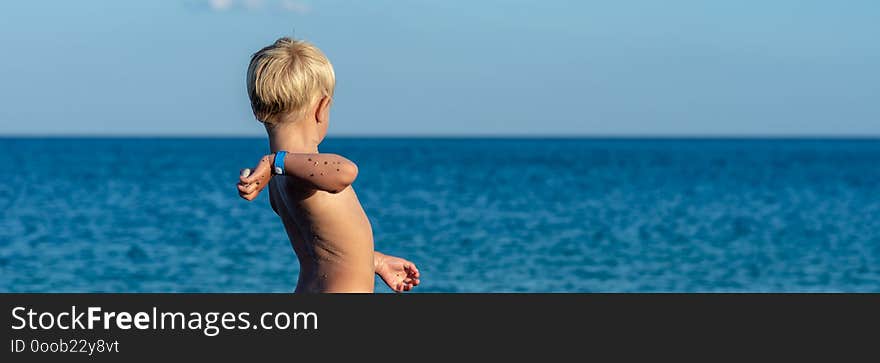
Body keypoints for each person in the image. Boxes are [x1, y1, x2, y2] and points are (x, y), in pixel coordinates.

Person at [236, 37, 420, 293]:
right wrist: (275, 161)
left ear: (257, 110)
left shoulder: (280, 178)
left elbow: (325, 248)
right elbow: (345, 171)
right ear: (322, 108)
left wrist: (374, 261)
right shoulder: (293, 170)